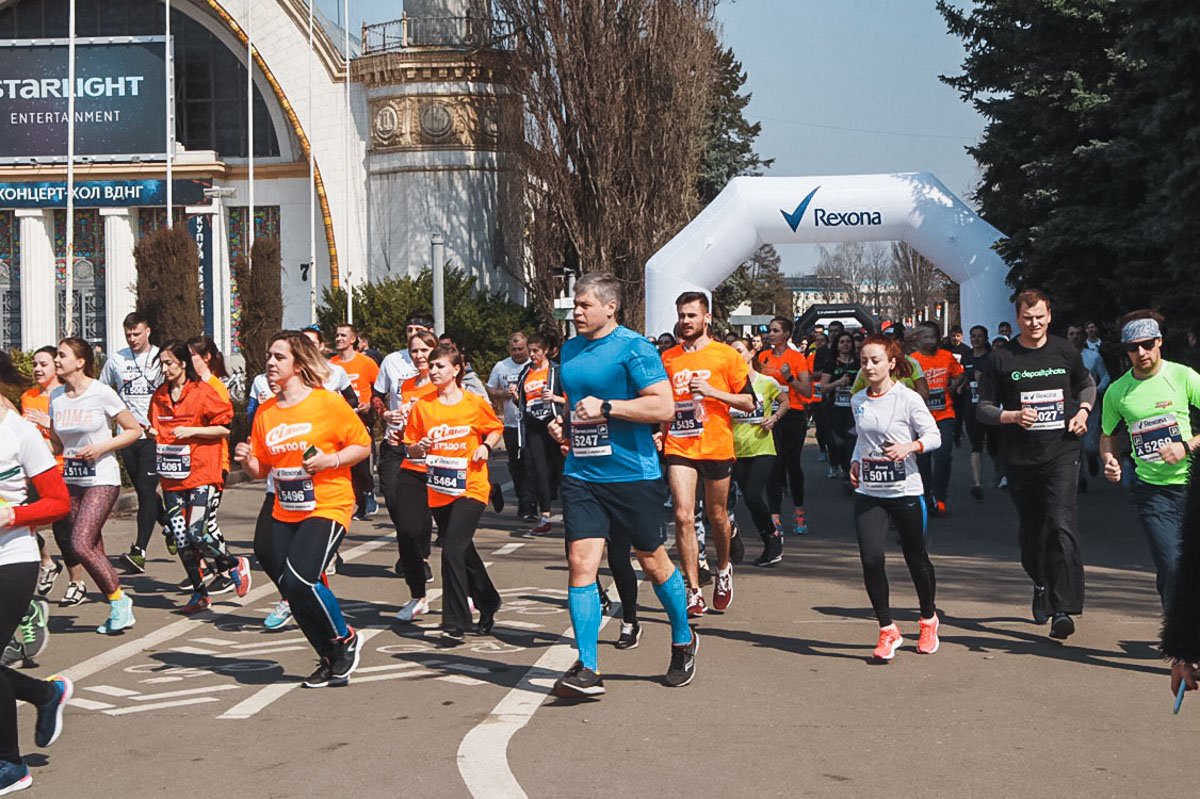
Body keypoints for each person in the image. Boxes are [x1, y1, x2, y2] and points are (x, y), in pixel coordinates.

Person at [547, 272, 697, 698]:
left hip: (633, 474)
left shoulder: (635, 347)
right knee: (581, 563)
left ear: (610, 307)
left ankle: (683, 639)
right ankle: (588, 667)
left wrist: (609, 407)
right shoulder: (570, 350)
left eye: (584, 306)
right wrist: (567, 427)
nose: (576, 312)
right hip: (582, 474)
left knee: (652, 562)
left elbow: (663, 405)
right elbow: (580, 407)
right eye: (574, 306)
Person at [235, 331, 371, 688]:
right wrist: (248, 460)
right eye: (268, 356)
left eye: (279, 357)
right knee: (290, 588)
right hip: (286, 507)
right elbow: (261, 470)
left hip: (329, 503)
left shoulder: (327, 402)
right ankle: (328, 656)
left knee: (301, 578)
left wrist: (330, 460)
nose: (270, 363)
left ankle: (345, 638)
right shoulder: (265, 413)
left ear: (298, 363)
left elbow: (362, 445)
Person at [977, 290, 1095, 640]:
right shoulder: (1001, 358)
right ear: (1018, 319)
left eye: (1040, 316)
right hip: (1020, 457)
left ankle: (1063, 609)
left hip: (1062, 451)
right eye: (1028, 318)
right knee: (1033, 534)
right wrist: (1010, 415)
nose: (1035, 323)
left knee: (1061, 523)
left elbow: (1086, 386)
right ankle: (1041, 581)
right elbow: (982, 407)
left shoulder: (1064, 350)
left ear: (1049, 314)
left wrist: (1084, 411)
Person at [0, 351, 73, 795]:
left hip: (12, 558)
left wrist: (12, 515)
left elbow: (58, 502)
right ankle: (45, 695)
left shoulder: (18, 433)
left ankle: (10, 764)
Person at [660, 292, 755, 617]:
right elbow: (663, 400)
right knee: (684, 515)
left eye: (692, 316)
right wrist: (661, 429)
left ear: (707, 318)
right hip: (679, 445)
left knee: (717, 516)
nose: (686, 321)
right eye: (682, 315)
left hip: (715, 444)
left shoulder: (726, 356)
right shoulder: (668, 357)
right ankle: (693, 588)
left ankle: (724, 568)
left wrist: (714, 392)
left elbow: (749, 403)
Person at [848, 335, 942, 661]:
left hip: (905, 491)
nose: (869, 367)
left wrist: (909, 448)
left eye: (875, 361)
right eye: (864, 362)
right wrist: (855, 462)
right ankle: (887, 629)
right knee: (871, 559)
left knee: (916, 557)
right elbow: (862, 440)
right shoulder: (858, 400)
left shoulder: (908, 398)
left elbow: (934, 436)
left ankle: (928, 618)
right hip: (870, 491)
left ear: (891, 363)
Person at [1100, 312, 1200, 612]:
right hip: (1153, 492)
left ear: (1159, 342)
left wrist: (1187, 445)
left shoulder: (1183, 377)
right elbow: (1108, 435)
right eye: (1133, 347)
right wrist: (1109, 458)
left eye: (1146, 344)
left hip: (1192, 483)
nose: (1140, 353)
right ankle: (1181, 643)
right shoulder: (1119, 392)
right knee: (1172, 563)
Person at [404, 345, 504, 643]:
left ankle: (455, 621)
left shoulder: (473, 403)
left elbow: (495, 429)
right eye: (431, 366)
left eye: (440, 366)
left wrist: (486, 447)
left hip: (471, 487)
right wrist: (418, 448)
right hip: (439, 489)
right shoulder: (423, 407)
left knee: (451, 549)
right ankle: (488, 600)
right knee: (463, 551)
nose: (433, 371)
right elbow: (409, 446)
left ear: (456, 370)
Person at [149, 340, 250, 614]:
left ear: (183, 363)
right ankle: (199, 594)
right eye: (162, 363)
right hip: (172, 475)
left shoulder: (203, 392)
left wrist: (192, 432)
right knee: (181, 538)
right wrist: (149, 432)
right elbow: (157, 427)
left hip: (203, 471)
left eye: (169, 362)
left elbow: (224, 429)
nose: (165, 368)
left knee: (197, 532)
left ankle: (232, 564)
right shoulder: (159, 395)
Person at [50, 337, 143, 634]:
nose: (56, 361)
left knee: (79, 543)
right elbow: (56, 443)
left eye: (62, 356)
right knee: (92, 546)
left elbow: (134, 430)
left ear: (80, 361)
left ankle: (119, 601)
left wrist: (102, 447)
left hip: (102, 478)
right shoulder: (56, 397)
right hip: (73, 480)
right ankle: (116, 606)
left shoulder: (102, 393)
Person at [99, 313, 164, 575]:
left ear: (147, 331)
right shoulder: (117, 359)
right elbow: (103, 392)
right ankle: (171, 527)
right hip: (128, 436)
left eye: (137, 333)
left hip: (152, 437)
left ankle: (139, 551)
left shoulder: (160, 357)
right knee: (143, 492)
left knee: (147, 491)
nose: (132, 338)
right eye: (128, 334)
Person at [20, 346, 81, 600]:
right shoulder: (28, 396)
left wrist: (49, 425)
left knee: (63, 530)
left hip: (60, 467)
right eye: (34, 364)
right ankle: (47, 562)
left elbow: (75, 436)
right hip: (34, 469)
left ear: (55, 368)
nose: (37, 369)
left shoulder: (63, 396)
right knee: (24, 521)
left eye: (43, 364)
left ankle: (77, 580)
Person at [387, 331, 439, 621]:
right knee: (406, 526)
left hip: (444, 465)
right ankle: (418, 595)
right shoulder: (406, 385)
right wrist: (394, 422)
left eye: (425, 350)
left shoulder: (443, 382)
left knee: (457, 540)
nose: (420, 356)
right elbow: (406, 419)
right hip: (412, 462)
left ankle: (471, 593)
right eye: (415, 351)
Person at [730, 338, 788, 566]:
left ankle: (773, 538)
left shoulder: (767, 382)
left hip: (762, 447)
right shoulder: (728, 384)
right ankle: (770, 544)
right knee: (751, 502)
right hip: (736, 449)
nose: (735, 355)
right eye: (731, 352)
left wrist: (773, 418)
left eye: (739, 351)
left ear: (750, 353)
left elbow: (785, 402)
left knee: (753, 495)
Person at [755, 316, 814, 535]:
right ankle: (775, 517)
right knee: (774, 464)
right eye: (770, 331)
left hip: (793, 415)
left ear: (787, 334)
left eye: (775, 331)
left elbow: (807, 391)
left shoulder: (797, 358)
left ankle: (799, 512)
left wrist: (789, 378)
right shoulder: (763, 357)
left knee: (792, 465)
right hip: (771, 416)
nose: (771, 334)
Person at [911, 320, 966, 515]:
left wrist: (954, 385)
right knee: (923, 460)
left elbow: (960, 374)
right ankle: (926, 497)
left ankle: (940, 495)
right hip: (921, 417)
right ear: (918, 339)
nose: (930, 341)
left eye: (933, 337)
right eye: (925, 337)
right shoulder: (913, 360)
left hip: (945, 413)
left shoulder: (947, 356)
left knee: (943, 455)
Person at [515, 334, 564, 534]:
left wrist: (554, 398)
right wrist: (515, 397)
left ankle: (571, 512)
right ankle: (545, 516)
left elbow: (569, 400)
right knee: (539, 471)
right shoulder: (525, 373)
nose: (533, 354)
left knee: (559, 470)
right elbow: (522, 402)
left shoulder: (556, 372)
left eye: (536, 350)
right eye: (531, 350)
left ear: (545, 351)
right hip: (534, 426)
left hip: (554, 424)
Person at [333, 323, 381, 520]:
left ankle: (368, 492)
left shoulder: (366, 362)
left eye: (343, 335)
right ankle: (359, 502)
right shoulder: (332, 364)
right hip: (337, 419)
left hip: (360, 418)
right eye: (336, 335)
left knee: (361, 461)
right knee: (345, 464)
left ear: (353, 339)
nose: (338, 338)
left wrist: (370, 405)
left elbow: (379, 389)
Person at [486, 332, 532, 519]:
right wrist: (503, 393)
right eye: (513, 349)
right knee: (516, 465)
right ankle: (524, 501)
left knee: (532, 465)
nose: (517, 353)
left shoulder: (533, 366)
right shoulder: (501, 366)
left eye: (520, 349)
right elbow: (489, 388)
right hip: (512, 425)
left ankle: (532, 503)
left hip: (531, 424)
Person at [1068, 324, 1112, 489]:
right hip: (1069, 405)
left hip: (1090, 405)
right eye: (1071, 334)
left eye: (1078, 334)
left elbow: (1106, 376)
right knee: (1073, 444)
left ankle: (1093, 458)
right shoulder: (1061, 358)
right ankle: (1080, 478)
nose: (1075, 337)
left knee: (1089, 446)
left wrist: (1096, 390)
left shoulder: (1094, 357)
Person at [960, 325, 1001, 498]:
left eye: (979, 336)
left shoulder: (992, 357)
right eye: (973, 336)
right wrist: (960, 386)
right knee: (975, 444)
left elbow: (1000, 380)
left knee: (994, 446)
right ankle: (977, 483)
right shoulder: (967, 357)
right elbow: (964, 376)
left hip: (990, 406)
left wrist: (983, 379)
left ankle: (1000, 474)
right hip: (972, 407)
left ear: (985, 338)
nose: (976, 339)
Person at [820, 331, 860, 484]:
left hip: (852, 409)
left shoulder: (857, 362)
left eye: (848, 342)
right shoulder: (831, 363)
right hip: (835, 409)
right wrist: (839, 382)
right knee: (838, 443)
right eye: (842, 342)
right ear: (837, 345)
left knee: (851, 440)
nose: (845, 344)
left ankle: (849, 472)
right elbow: (823, 388)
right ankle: (842, 466)